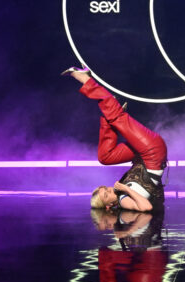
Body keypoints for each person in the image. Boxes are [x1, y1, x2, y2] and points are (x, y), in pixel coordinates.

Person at [62, 66, 167, 212]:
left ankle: (109, 116)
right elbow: (146, 207)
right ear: (109, 206)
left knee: (105, 157)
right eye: (106, 194)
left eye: (105, 188)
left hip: (145, 153)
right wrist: (125, 189)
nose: (109, 189)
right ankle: (86, 80)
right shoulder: (123, 200)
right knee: (117, 117)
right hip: (152, 152)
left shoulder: (121, 192)